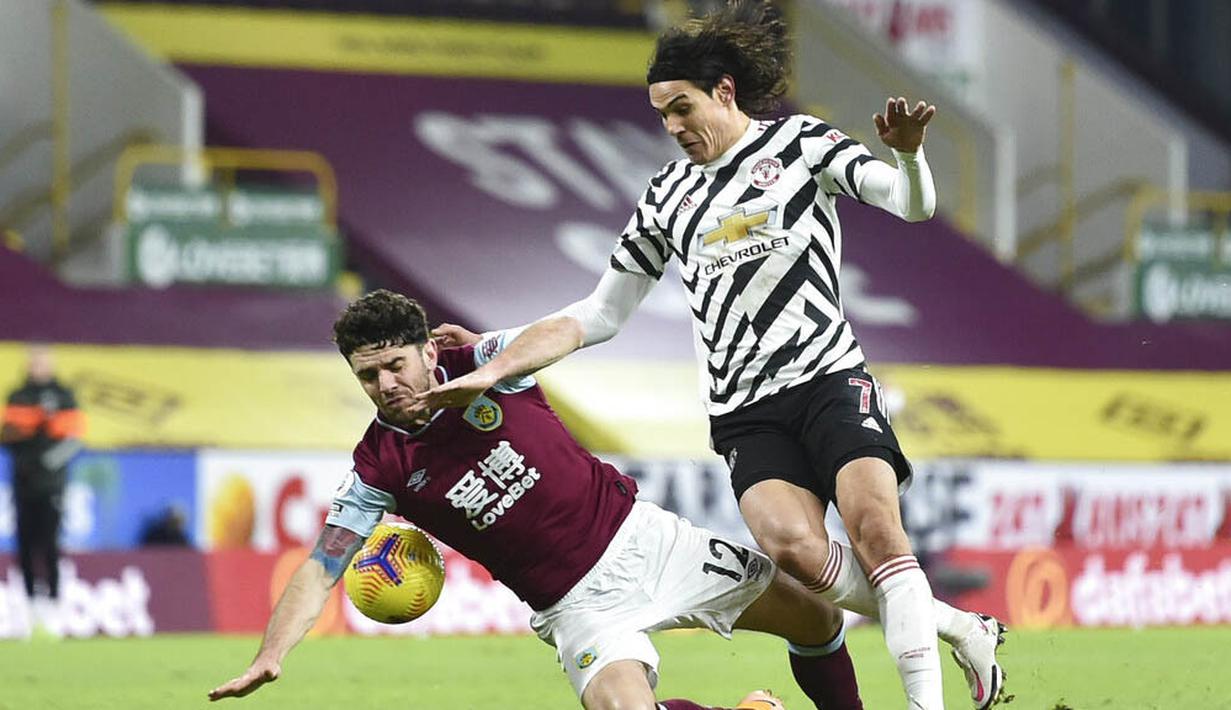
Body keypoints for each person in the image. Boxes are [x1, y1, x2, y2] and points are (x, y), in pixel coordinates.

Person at [419, 2, 1006, 708]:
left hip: (826, 380)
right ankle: (957, 626)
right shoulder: (666, 196)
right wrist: (491, 350)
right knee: (791, 551)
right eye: (661, 114)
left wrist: (907, 156)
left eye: (680, 107)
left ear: (723, 91)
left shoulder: (800, 146)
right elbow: (599, 312)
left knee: (876, 530)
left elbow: (909, 205)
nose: (671, 126)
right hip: (743, 414)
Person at [209, 290, 864, 710]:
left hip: (649, 542)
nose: (385, 384)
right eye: (367, 376)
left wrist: (489, 371)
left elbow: (564, 329)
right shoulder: (378, 464)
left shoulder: (486, 361)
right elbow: (323, 565)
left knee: (817, 621)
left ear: (427, 350)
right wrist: (271, 654)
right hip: (576, 607)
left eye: (395, 366)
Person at [1, 345, 84, 637]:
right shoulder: (17, 395)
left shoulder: (63, 395)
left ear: (50, 364)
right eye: (33, 362)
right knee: (23, 545)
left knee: (49, 544)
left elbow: (74, 438)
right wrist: (38, 423)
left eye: (42, 361)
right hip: (22, 483)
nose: (38, 366)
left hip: (51, 484)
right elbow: (6, 433)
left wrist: (48, 460)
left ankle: (53, 604)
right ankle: (27, 605)